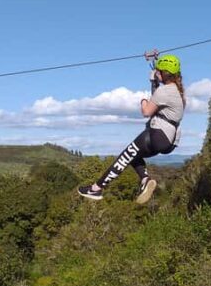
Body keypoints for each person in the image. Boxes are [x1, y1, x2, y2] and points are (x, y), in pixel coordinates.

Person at [78, 54, 185, 204]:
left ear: (163, 73)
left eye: (158, 71)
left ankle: (96, 189)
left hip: (158, 134)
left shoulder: (164, 91)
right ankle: (145, 180)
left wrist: (143, 100)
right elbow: (159, 99)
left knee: (125, 156)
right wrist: (154, 83)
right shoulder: (177, 92)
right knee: (134, 156)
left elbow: (147, 112)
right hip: (169, 141)